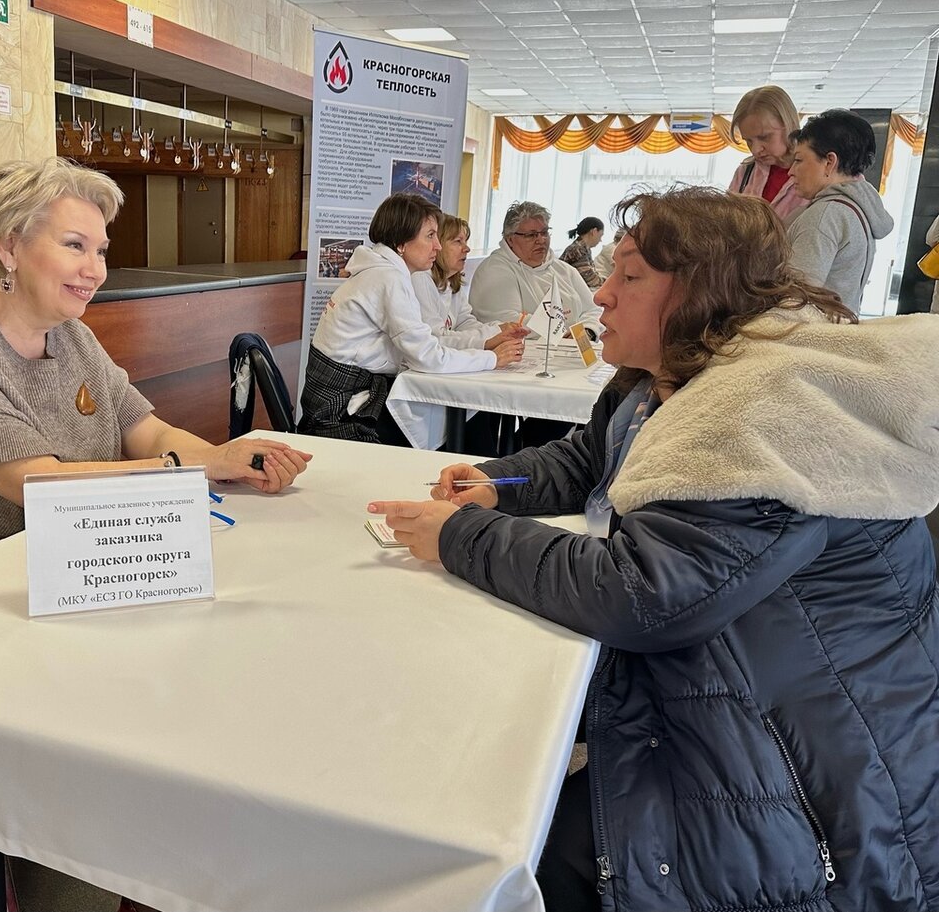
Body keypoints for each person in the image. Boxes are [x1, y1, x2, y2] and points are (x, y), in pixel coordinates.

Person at [370, 185, 939, 912]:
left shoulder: (769, 414)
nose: (602, 294)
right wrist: (499, 481)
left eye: (630, 276)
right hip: (734, 690)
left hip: (817, 776)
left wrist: (461, 537)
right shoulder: (661, 382)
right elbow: (589, 459)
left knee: (515, 843)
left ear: (702, 288)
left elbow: (641, 594)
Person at [0, 158, 310, 579]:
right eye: (74, 246)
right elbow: (43, 485)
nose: (96, 271)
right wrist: (188, 469)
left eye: (100, 251)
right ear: (9, 246)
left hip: (61, 548)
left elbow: (149, 433)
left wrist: (227, 462)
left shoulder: (71, 334)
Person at [299, 193, 524, 445]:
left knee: (465, 414)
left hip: (341, 397)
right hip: (339, 414)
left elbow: (425, 346)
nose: (437, 246)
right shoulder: (388, 278)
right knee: (464, 413)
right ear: (401, 243)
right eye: (430, 236)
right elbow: (429, 357)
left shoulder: (381, 270)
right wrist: (492, 359)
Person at [786, 108, 893, 312]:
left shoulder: (825, 216)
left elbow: (796, 301)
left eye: (798, 160)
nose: (791, 171)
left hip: (813, 338)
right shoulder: (856, 207)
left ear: (829, 162)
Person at [468, 201, 601, 337]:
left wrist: (587, 331)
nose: (541, 240)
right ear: (510, 239)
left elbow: (593, 309)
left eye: (544, 232)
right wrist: (564, 334)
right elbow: (507, 322)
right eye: (531, 235)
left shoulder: (563, 269)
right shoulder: (494, 271)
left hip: (572, 349)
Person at [411, 213, 529, 350]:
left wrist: (500, 328)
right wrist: (494, 334)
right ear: (438, 245)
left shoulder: (452, 281)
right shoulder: (420, 278)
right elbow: (436, 337)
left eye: (465, 241)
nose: (467, 248)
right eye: (457, 241)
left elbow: (464, 323)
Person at [728, 85, 811, 226]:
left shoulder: (815, 173)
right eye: (748, 141)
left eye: (764, 137)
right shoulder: (745, 171)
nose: (755, 150)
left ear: (788, 124)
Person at [560, 216, 605, 289]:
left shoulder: (583, 248)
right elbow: (590, 279)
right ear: (594, 231)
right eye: (600, 235)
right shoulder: (578, 249)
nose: (600, 240)